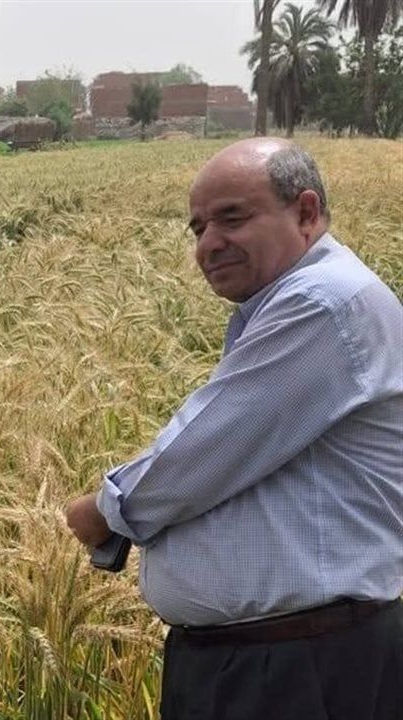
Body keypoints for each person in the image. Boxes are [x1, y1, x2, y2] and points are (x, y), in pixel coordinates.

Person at [66, 138, 402, 720]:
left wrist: (106, 510)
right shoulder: (299, 302)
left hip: (299, 670)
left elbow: (206, 451)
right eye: (198, 228)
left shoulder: (323, 302)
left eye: (232, 218)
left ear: (305, 212)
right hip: (273, 661)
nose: (209, 243)